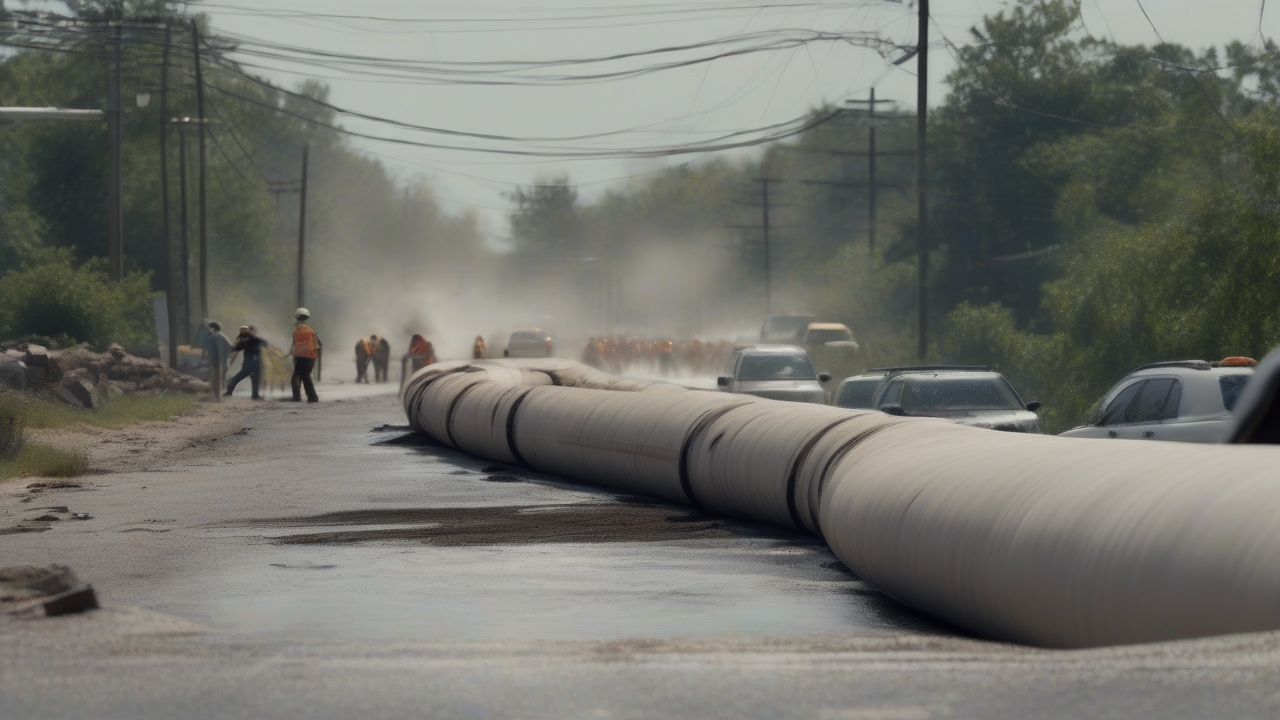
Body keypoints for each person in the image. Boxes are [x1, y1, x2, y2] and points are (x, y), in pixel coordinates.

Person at [287, 308, 322, 403]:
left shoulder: (296, 331)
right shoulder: (311, 331)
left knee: (297, 376)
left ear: (297, 318)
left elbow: (294, 344)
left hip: (299, 356)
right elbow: (319, 344)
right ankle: (312, 397)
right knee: (305, 375)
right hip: (310, 356)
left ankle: (299, 397)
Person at [225, 326, 267, 399]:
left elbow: (236, 348)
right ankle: (255, 395)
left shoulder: (245, 340)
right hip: (255, 362)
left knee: (240, 377)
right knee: (255, 379)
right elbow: (264, 343)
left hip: (249, 363)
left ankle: (229, 389)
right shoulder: (254, 339)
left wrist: (234, 346)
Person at [204, 321, 232, 400]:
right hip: (224, 360)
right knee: (221, 377)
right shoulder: (223, 336)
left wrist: (209, 359)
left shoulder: (211, 337)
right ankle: (219, 395)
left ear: (212, 328)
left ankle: (217, 396)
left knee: (216, 377)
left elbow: (210, 350)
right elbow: (230, 347)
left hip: (216, 359)